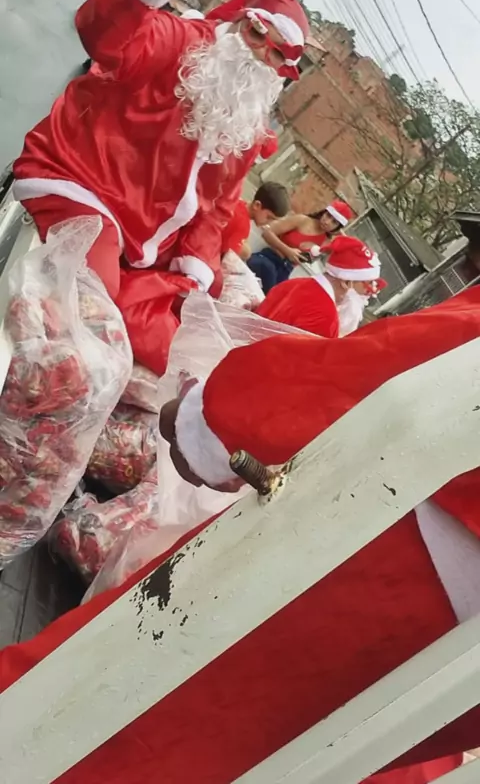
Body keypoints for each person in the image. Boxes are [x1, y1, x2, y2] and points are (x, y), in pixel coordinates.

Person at [2, 289, 480, 783]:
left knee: (94, 696)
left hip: (379, 553)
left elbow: (428, 369)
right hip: (444, 683)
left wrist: (219, 417)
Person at [11, 0, 309, 374]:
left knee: (172, 350)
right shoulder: (182, 43)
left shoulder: (248, 126)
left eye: (277, 53)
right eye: (258, 32)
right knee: (88, 311)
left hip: (151, 248)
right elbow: (109, 38)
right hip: (86, 188)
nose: (260, 53)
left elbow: (215, 211)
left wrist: (196, 269)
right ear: (238, 22)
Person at [254, 235, 380, 339]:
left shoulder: (294, 283)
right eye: (366, 284)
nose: (365, 293)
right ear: (346, 282)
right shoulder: (327, 318)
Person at [248, 198, 354, 293]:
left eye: (334, 222)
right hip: (269, 258)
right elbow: (267, 232)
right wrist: (287, 250)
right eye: (328, 215)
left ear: (337, 228)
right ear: (324, 212)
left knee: (281, 294)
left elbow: (350, 252)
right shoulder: (302, 220)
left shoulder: (326, 242)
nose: (327, 222)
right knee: (268, 275)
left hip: (285, 270)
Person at [220, 181, 290, 261]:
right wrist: (246, 253)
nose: (269, 222)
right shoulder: (242, 224)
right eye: (269, 217)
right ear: (257, 205)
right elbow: (228, 251)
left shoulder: (239, 204)